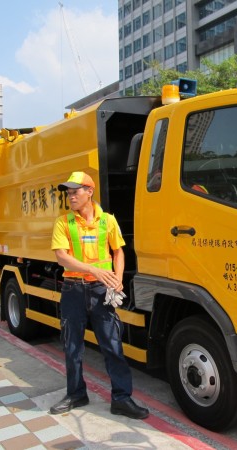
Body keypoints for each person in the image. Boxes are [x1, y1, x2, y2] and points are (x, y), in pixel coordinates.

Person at [49, 171, 149, 420]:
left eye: (75, 192)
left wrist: (118, 278)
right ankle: (76, 394)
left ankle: (122, 399)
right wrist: (92, 269)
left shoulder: (107, 221)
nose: (70, 197)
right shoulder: (63, 222)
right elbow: (61, 256)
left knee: (113, 346)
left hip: (101, 290)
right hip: (73, 289)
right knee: (72, 347)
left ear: (89, 192)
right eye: (69, 193)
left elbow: (119, 251)